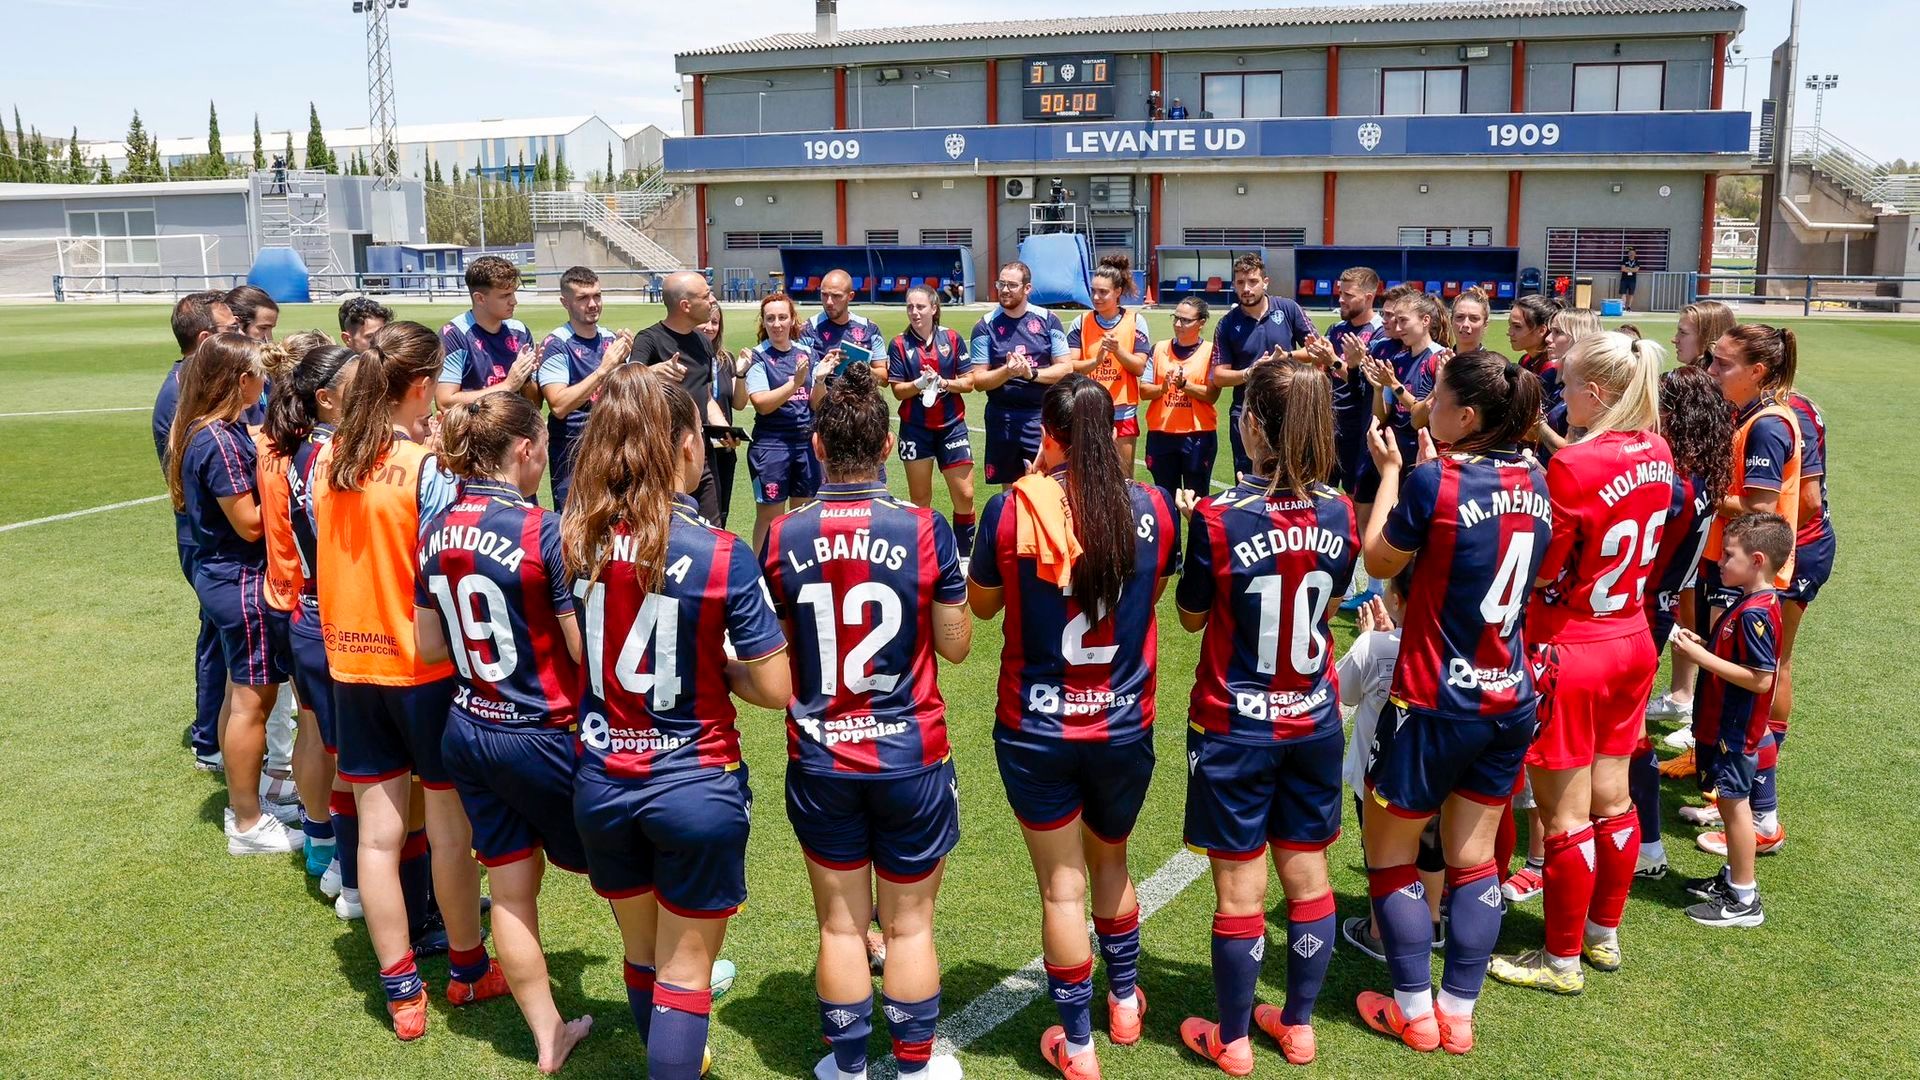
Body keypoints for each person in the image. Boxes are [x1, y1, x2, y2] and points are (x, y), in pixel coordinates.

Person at [563, 366, 791, 1080]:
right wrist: (716, 666)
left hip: (602, 780)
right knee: (686, 975)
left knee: (644, 957)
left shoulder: (575, 537)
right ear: (686, 446)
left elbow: (583, 651)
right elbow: (777, 687)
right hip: (694, 782)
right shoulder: (721, 551)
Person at [760, 361, 972, 1080]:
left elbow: (775, 647)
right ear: (888, 448)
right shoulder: (924, 527)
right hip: (909, 751)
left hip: (821, 756)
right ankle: (914, 1066)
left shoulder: (782, 535)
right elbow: (956, 644)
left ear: (816, 447)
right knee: (908, 924)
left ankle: (848, 1066)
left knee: (841, 923)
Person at [968, 375, 1179, 1080]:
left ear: (1048, 434)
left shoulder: (1012, 509)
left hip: (1038, 726)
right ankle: (1123, 1001)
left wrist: (1032, 492)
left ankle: (1079, 1045)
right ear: (1117, 431)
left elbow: (985, 607)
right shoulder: (1151, 506)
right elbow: (1152, 590)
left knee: (1062, 888)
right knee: (1111, 862)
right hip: (1122, 722)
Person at [1353, 351, 1552, 1057]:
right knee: (1473, 861)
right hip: (1509, 696)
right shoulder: (1537, 477)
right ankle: (1458, 1011)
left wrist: (1389, 475)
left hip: (1435, 700)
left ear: (1465, 416)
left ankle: (1412, 1010)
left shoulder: (1433, 480)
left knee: (1391, 857)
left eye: (1435, 396)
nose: (1425, 406)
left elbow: (1378, 561)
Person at [314, 321, 505, 1040]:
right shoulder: (428, 466)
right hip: (423, 668)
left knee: (376, 836)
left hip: (350, 664)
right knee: (450, 832)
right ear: (421, 384)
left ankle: (402, 993)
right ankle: (464, 968)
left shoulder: (326, 457)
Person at [1172, 360, 1354, 1073]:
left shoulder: (1219, 517)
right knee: (1307, 876)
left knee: (1240, 889)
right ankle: (1298, 1024)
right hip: (1312, 719)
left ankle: (1235, 1038)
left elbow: (1191, 618)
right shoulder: (1339, 510)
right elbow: (1330, 606)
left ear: (1253, 426)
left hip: (1234, 725)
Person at [1487, 332, 1674, 994]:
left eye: (1566, 387)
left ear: (1597, 394)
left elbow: (1545, 571)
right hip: (1633, 638)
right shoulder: (1659, 450)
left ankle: (1560, 958)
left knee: (1563, 813)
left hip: (1574, 646)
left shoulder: (1572, 466)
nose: (1561, 399)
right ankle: (1601, 934)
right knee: (1614, 800)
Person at [414, 393, 595, 1073]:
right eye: (542, 443)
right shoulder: (543, 530)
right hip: (546, 733)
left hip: (469, 729)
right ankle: (675, 988)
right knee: (629, 873)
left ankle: (548, 1035)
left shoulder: (433, 531)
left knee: (514, 894)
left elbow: (430, 647)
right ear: (523, 450)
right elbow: (581, 650)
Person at [166, 333, 302, 855]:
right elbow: (247, 524)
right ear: (239, 381)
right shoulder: (219, 439)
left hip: (225, 577)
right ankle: (247, 821)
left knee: (236, 697)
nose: (264, 381)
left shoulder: (208, 429)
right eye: (257, 374)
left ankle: (248, 800)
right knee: (252, 702)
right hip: (241, 580)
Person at [1681, 326, 1804, 841]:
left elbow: (1760, 506)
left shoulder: (1768, 426)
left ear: (1757, 372)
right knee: (1729, 698)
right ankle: (1737, 800)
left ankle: (1761, 815)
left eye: (1723, 365)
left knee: (1744, 701)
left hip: (1748, 572)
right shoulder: (1750, 415)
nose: (1712, 371)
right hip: (1732, 565)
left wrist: (1702, 490)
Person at [264, 341, 365, 909]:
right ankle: (350, 877)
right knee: (353, 756)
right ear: (327, 400)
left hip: (311, 611)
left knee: (326, 739)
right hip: (333, 617)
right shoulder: (332, 458)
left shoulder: (305, 448)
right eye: (358, 383)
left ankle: (331, 855)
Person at [1627, 365, 1734, 879]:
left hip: (1637, 614)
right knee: (1624, 736)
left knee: (1625, 739)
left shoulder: (1671, 483)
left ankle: (1646, 845)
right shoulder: (1701, 475)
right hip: (1658, 610)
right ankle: (1641, 840)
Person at [1672, 512, 1791, 928]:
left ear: (1757, 560)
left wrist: (1701, 657)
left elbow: (1760, 680)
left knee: (1734, 807)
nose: (1720, 562)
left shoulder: (1756, 612)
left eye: (1728, 554)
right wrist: (1703, 644)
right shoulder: (1751, 601)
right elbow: (1736, 656)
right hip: (1723, 726)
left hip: (1736, 731)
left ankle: (1743, 899)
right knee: (1726, 803)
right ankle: (1731, 881)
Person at [257, 331, 340, 881]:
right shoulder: (326, 454)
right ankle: (347, 859)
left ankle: (319, 839)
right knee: (346, 742)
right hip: (321, 600)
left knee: (312, 728)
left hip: (288, 596)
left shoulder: (273, 444)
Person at [154, 291, 240, 771]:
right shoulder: (183, 395)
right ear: (206, 338)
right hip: (207, 535)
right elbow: (192, 478)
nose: (243, 334)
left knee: (220, 633)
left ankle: (217, 732)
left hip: (211, 532)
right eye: (232, 328)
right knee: (218, 633)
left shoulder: (196, 384)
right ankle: (210, 739)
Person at [1210, 253, 1318, 478]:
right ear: (1234, 284)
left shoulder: (1288, 309)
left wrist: (1287, 356)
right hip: (1246, 411)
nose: (1246, 288)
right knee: (1248, 478)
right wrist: (1251, 372)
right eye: (1240, 283)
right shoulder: (1227, 324)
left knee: (1294, 474)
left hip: (1289, 406)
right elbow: (1219, 376)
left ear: (1265, 282)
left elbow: (1318, 350)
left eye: (1253, 282)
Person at [887, 285, 977, 553]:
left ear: (934, 309)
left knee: (965, 495)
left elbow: (969, 382)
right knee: (920, 498)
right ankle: (925, 556)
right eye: (910, 307)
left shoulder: (951, 338)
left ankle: (962, 557)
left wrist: (943, 383)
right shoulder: (899, 344)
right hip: (916, 429)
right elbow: (898, 391)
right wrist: (919, 382)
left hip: (952, 426)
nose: (914, 312)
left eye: (920, 307)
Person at [968, 261, 1073, 487]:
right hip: (1001, 417)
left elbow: (1066, 368)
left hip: (1041, 416)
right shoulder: (984, 326)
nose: (1005, 290)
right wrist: (1007, 372)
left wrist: (1031, 374)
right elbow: (978, 380)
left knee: (1047, 482)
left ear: (1027, 289)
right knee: (1010, 488)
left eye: (1012, 285)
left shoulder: (1049, 320)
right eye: (1001, 284)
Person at [631, 270, 724, 523]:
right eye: (706, 296)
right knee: (662, 528)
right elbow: (626, 388)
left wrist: (723, 427)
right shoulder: (648, 340)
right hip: (660, 458)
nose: (712, 300)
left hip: (699, 452)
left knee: (711, 527)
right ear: (685, 305)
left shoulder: (703, 342)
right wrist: (651, 374)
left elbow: (705, 395)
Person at [538, 265, 634, 512]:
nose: (593, 304)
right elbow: (558, 405)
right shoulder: (557, 344)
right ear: (565, 302)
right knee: (575, 523)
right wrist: (604, 370)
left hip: (613, 445)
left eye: (597, 296)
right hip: (574, 452)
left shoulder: (610, 339)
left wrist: (635, 366)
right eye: (583, 298)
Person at [743, 292, 823, 552]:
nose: (777, 324)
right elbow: (763, 404)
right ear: (763, 323)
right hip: (771, 446)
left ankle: (797, 573)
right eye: (770, 319)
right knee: (770, 517)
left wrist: (819, 380)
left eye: (782, 317)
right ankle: (762, 577)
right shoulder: (758, 356)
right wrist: (794, 383)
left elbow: (816, 404)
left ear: (792, 320)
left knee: (803, 518)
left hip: (806, 445)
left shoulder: (807, 353)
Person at [1067, 254, 1150, 467]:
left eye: (1103, 292)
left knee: (1123, 477)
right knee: (1088, 473)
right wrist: (1095, 361)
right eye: (1093, 291)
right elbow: (1069, 367)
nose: (1096, 297)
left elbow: (1140, 367)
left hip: (1122, 408)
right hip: (1088, 405)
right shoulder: (1081, 322)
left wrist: (1118, 350)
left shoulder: (1135, 321)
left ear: (1118, 292)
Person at [1138, 296, 1221, 508]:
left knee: (1197, 502)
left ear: (1201, 323)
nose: (1178, 324)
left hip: (1197, 436)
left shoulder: (1211, 351)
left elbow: (1212, 394)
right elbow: (1144, 390)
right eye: (1175, 318)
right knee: (1165, 502)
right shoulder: (1158, 349)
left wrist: (1185, 385)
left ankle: (1198, 542)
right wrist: (1162, 388)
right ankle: (1170, 543)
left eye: (1185, 320)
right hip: (1161, 436)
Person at [437, 255, 539, 410]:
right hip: (472, 432)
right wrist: (507, 386)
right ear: (480, 299)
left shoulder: (520, 332)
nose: (514, 301)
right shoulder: (454, 335)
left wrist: (525, 379)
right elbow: (445, 403)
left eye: (513, 293)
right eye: (505, 296)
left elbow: (535, 406)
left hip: (514, 430)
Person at [701, 303, 745, 531]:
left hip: (724, 446)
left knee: (721, 513)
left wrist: (741, 373)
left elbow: (738, 403)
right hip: (696, 448)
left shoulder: (725, 359)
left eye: (715, 322)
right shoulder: (687, 358)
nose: (709, 327)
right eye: (705, 321)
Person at [802, 269, 886, 384]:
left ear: (850, 296)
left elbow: (884, 379)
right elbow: (795, 375)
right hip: (824, 400)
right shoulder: (808, 329)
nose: (829, 302)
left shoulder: (869, 329)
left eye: (836, 296)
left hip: (860, 400)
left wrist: (862, 367)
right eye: (824, 295)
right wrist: (822, 368)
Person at [1506, 295, 1561, 406]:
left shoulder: (1551, 369)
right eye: (1510, 325)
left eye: (1517, 327)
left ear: (1541, 330)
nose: (1509, 332)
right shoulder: (1526, 360)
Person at [1449, 287, 1492, 356]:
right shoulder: (1436, 362)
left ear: (1485, 324)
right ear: (1451, 321)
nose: (1465, 324)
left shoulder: (1494, 365)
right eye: (1459, 317)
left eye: (1474, 318)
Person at [1618, 247, 1639, 312]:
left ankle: (1629, 307)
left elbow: (1636, 270)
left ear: (1635, 254)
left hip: (1632, 280)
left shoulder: (1636, 261)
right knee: (1623, 293)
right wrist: (1631, 269)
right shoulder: (1624, 260)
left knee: (1631, 294)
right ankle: (1623, 306)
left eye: (1633, 253)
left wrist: (1628, 268)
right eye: (1630, 253)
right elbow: (1622, 269)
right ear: (1628, 254)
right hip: (1624, 279)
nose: (1631, 254)